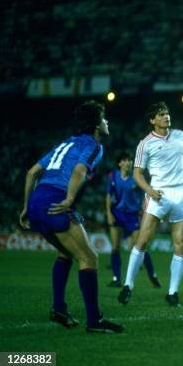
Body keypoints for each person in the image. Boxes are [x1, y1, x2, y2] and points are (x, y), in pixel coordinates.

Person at [20, 100, 123, 333]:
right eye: (104, 119)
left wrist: (26, 207)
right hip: (56, 199)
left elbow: (31, 172)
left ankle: (58, 309)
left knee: (66, 253)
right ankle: (94, 321)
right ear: (97, 126)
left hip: (37, 200)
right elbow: (79, 170)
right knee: (89, 258)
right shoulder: (95, 145)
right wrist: (68, 199)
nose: (107, 122)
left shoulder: (65, 142)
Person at [118, 102, 183, 307]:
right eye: (161, 114)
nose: (166, 116)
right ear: (152, 120)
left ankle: (173, 293)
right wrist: (150, 191)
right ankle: (128, 285)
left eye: (167, 113)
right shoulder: (145, 144)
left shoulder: (180, 135)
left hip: (181, 191)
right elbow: (137, 174)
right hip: (158, 194)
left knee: (181, 243)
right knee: (143, 240)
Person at [106, 151, 160, 288]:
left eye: (130, 160)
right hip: (117, 213)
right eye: (125, 159)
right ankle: (116, 278)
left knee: (141, 245)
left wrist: (144, 209)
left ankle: (152, 275)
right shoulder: (113, 176)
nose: (128, 162)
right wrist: (108, 213)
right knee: (115, 248)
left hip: (132, 215)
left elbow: (145, 194)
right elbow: (108, 195)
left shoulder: (137, 177)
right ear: (120, 163)